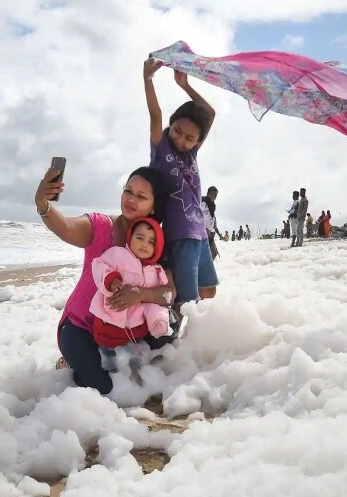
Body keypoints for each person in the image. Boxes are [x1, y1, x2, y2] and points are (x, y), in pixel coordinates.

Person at [36, 165, 174, 395]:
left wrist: (140, 294)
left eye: (141, 196)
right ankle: (72, 361)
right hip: (81, 327)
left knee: (150, 363)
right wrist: (43, 204)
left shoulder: (154, 243)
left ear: (154, 206)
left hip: (124, 332)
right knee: (104, 388)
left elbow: (169, 291)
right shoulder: (101, 226)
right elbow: (66, 226)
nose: (131, 199)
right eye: (128, 191)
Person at [144, 57, 218, 308]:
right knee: (188, 302)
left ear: (197, 141)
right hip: (179, 235)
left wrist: (184, 85)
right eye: (177, 131)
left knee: (208, 291)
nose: (181, 140)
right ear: (171, 126)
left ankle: (186, 330)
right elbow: (156, 114)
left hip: (200, 235)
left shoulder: (192, 153)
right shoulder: (161, 148)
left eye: (189, 138)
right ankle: (179, 340)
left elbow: (209, 113)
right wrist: (148, 80)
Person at [90, 217, 172, 380]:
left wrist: (158, 320)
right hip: (109, 326)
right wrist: (111, 280)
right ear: (130, 238)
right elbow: (98, 265)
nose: (144, 244)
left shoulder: (155, 271)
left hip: (134, 331)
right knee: (109, 362)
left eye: (151, 242)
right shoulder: (117, 254)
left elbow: (157, 301)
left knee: (137, 354)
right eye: (139, 238)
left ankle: (141, 372)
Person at [201, 186, 222, 259]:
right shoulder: (201, 200)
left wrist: (220, 236)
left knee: (214, 253)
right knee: (201, 254)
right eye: (212, 194)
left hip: (210, 235)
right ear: (208, 193)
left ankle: (205, 269)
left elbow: (213, 223)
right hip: (200, 233)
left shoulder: (213, 207)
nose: (213, 196)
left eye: (215, 195)